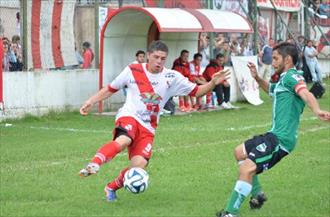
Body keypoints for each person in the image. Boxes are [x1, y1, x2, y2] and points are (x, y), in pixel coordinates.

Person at [78, 40, 230, 202]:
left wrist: (212, 83)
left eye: (163, 58)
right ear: (148, 56)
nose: (159, 61)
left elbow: (197, 91)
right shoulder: (132, 69)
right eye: (156, 57)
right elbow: (111, 88)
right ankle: (94, 164)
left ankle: (111, 187)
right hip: (129, 116)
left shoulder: (172, 77)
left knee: (137, 166)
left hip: (148, 127)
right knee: (123, 140)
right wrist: (91, 101)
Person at [216, 42, 330, 217]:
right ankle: (258, 193)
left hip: (281, 140)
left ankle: (231, 213)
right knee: (239, 152)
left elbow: (306, 93)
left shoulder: (292, 77)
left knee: (246, 168)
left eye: (276, 58)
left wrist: (317, 110)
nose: (273, 62)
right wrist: (257, 77)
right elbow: (271, 90)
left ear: (288, 59)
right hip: (273, 134)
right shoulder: (284, 79)